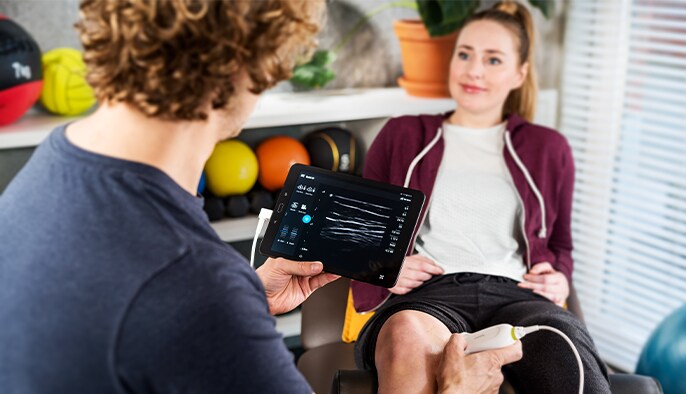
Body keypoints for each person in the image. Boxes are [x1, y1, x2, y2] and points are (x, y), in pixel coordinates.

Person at [0, 1, 521, 393]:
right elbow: (176, 302)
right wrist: (454, 388)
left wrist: (247, 296)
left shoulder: (49, 166)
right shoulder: (193, 282)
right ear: (244, 60)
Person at [352, 1, 612, 393]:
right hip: (429, 295)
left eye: (493, 60)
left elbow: (560, 244)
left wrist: (559, 277)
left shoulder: (548, 148)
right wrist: (385, 267)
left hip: (518, 296)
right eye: (465, 54)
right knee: (405, 334)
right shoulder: (402, 135)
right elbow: (361, 231)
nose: (473, 70)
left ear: (520, 73)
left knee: (567, 354)